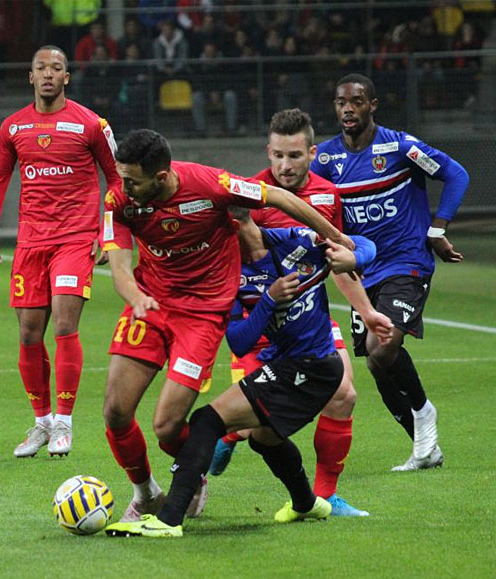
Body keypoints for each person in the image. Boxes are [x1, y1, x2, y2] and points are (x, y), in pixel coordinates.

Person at [97, 129, 351, 523]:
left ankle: (191, 473)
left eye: (132, 180)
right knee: (115, 410)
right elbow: (118, 269)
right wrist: (136, 298)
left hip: (202, 314)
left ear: (161, 177)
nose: (122, 186)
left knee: (167, 427)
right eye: (121, 177)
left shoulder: (210, 185)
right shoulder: (120, 201)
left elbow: (279, 197)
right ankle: (146, 493)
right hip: (150, 303)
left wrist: (336, 237)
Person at [105, 209, 379, 537]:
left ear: (233, 224)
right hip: (284, 365)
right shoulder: (229, 273)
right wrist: (269, 301)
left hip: (314, 367)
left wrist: (353, 257)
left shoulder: (296, 241)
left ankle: (169, 520)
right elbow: (238, 341)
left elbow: (363, 244)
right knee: (266, 439)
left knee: (208, 420)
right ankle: (307, 503)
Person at [208, 109, 394, 517]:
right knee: (258, 424)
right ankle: (226, 439)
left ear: (312, 152)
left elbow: (338, 261)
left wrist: (368, 311)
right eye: (277, 155)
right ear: (267, 152)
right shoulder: (250, 194)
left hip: (309, 314)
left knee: (344, 394)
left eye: (294, 155)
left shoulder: (327, 195)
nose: (284, 165)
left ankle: (325, 497)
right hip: (260, 321)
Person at [311, 74, 470, 471]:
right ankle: (424, 447)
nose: (348, 109)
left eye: (357, 101)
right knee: (375, 363)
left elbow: (457, 175)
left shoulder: (401, 148)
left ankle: (425, 414)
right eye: (341, 102)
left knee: (384, 347)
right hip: (360, 271)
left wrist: (438, 229)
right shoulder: (326, 160)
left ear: (373, 106)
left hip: (406, 261)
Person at [0, 45, 120, 458]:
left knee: (63, 323)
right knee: (27, 332)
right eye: (40, 67)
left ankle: (64, 422)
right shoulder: (13, 128)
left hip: (76, 238)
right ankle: (40, 423)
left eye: (56, 68)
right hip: (31, 242)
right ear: (30, 76)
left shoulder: (91, 124)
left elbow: (116, 180)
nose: (47, 74)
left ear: (66, 77)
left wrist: (106, 233)